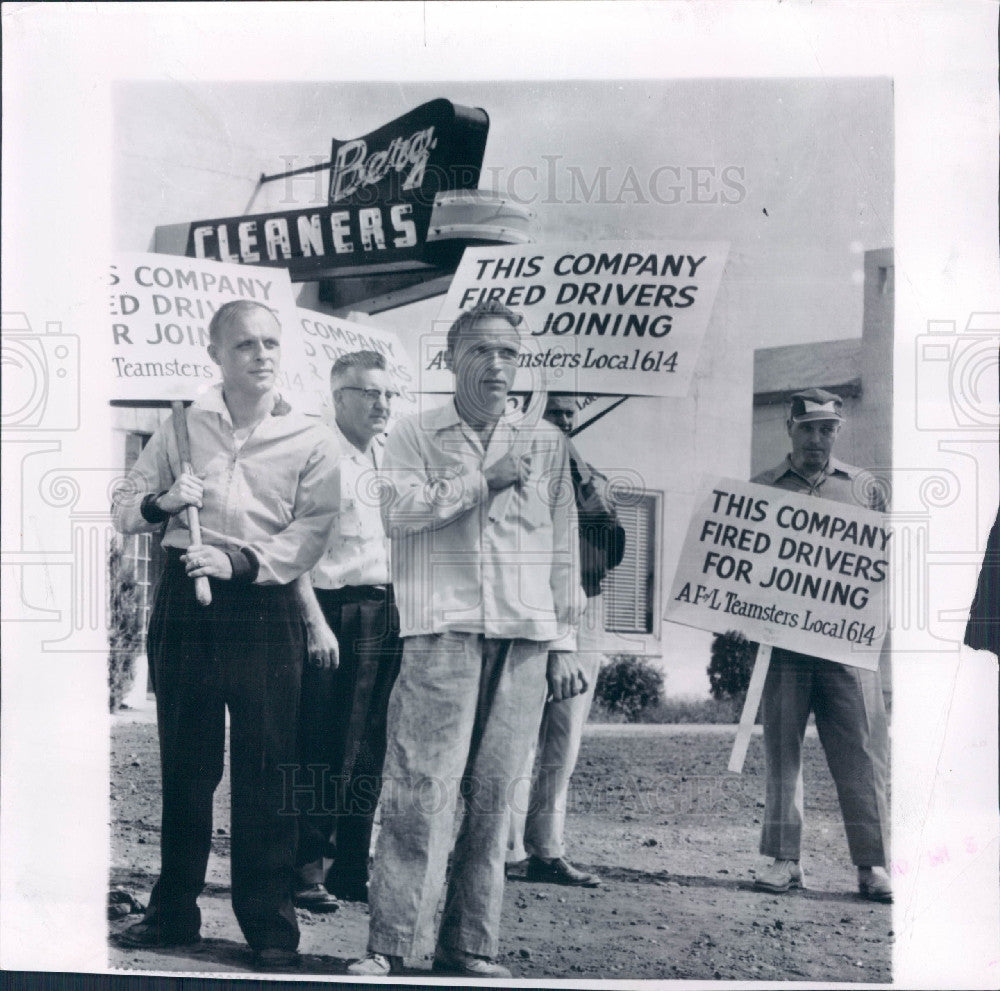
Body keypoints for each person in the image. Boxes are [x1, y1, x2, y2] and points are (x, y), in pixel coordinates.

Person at [347, 301, 586, 978]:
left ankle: (468, 944)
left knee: (492, 798)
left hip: (525, 639)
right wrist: (485, 479)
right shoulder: (415, 433)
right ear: (451, 360)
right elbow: (398, 510)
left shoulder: (546, 443)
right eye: (481, 350)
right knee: (420, 791)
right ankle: (391, 945)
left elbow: (563, 548)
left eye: (510, 352)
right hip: (442, 632)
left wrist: (564, 641)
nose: (498, 364)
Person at [111, 299, 339, 969]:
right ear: (216, 353)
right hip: (187, 605)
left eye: (270, 342)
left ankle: (269, 926)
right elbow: (123, 506)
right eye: (244, 344)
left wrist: (239, 559)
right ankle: (172, 910)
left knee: (268, 768)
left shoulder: (311, 435)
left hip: (265, 607)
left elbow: (311, 530)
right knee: (187, 765)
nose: (261, 354)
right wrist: (163, 502)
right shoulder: (180, 426)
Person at [750, 388, 892, 903]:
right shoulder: (761, 487)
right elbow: (742, 567)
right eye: (807, 427)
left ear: (839, 429)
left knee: (863, 751)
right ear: (789, 426)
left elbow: (883, 565)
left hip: (846, 647)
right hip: (784, 647)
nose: (817, 438)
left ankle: (871, 866)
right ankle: (785, 860)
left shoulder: (865, 489)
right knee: (782, 751)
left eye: (827, 428)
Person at [292, 351, 404, 909]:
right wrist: (314, 622)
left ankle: (350, 869)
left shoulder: (390, 456)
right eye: (368, 393)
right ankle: (306, 869)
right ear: (338, 398)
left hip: (386, 612)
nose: (381, 403)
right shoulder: (319, 454)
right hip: (334, 610)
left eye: (388, 394)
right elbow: (297, 551)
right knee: (322, 741)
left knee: (369, 748)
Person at [506, 394, 625, 887]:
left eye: (571, 413)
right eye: (555, 411)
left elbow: (610, 545)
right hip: (526, 604)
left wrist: (582, 478)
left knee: (564, 735)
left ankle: (546, 847)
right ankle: (501, 846)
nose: (566, 419)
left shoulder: (590, 474)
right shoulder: (513, 463)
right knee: (512, 734)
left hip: (582, 601)